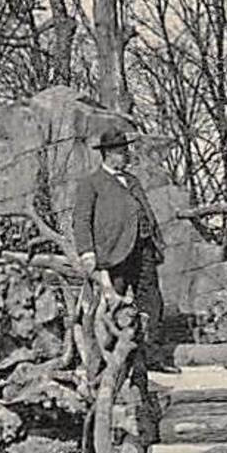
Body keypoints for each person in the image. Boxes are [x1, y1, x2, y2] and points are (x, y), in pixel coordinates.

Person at [71, 128, 165, 345]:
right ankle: (109, 356)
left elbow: (146, 212)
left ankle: (152, 356)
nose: (126, 155)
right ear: (108, 154)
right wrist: (87, 252)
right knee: (112, 304)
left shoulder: (132, 180)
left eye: (126, 150)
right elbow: (81, 219)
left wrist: (155, 241)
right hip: (112, 253)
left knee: (151, 301)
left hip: (143, 249)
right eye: (122, 151)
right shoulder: (92, 182)